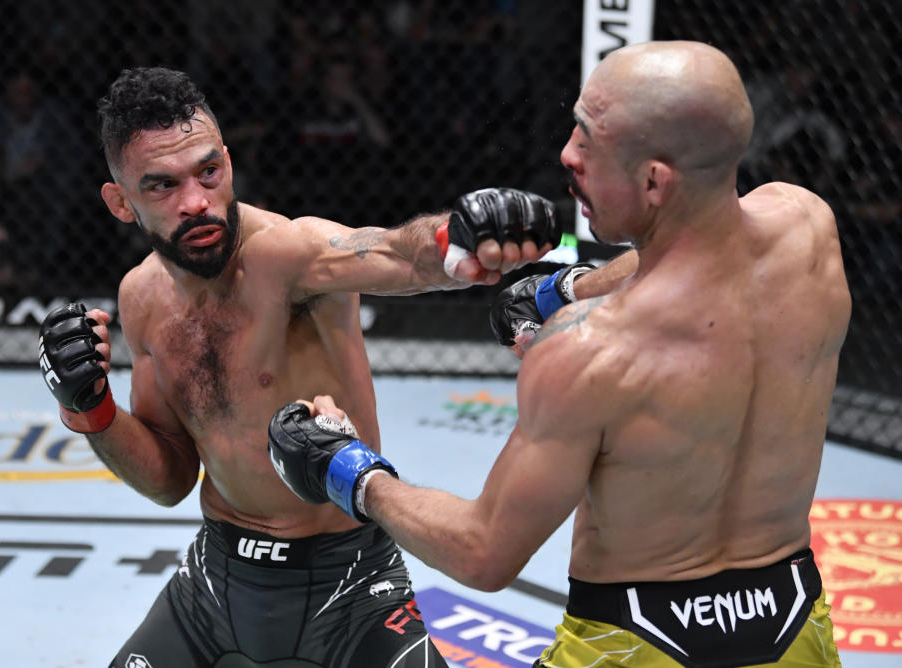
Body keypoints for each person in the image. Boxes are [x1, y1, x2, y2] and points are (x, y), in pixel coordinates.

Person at [268, 41, 850, 667]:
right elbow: (706, 241)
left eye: (591, 141)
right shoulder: (808, 228)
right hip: (794, 628)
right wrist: (561, 286)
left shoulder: (590, 352)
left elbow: (482, 552)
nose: (568, 153)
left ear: (654, 180)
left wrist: (347, 469)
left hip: (629, 645)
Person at [35, 66, 560, 667]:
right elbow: (170, 478)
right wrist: (90, 409)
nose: (197, 201)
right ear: (120, 203)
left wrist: (456, 239)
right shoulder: (141, 298)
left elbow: (396, 253)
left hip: (351, 586)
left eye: (209, 171)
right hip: (214, 584)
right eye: (161, 186)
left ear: (228, 161)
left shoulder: (287, 254)